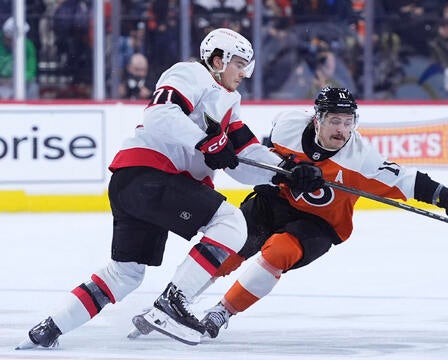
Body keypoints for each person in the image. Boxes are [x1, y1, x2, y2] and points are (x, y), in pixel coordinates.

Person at [15, 27, 323, 349]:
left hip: (138, 186)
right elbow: (160, 114)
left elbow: (243, 157)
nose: (244, 73)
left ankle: (48, 329)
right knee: (232, 222)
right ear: (218, 60)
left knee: (125, 274)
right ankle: (172, 303)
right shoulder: (191, 73)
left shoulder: (229, 102)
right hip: (149, 176)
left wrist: (285, 171)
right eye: (239, 64)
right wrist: (207, 142)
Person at [130, 86, 448, 344]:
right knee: (230, 244)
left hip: (320, 223)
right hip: (277, 198)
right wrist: (288, 166)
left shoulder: (362, 158)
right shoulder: (289, 123)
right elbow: (261, 156)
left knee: (277, 253)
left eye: (348, 122)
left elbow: (408, 181)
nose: (342, 130)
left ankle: (221, 314)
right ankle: (172, 304)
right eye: (335, 121)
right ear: (316, 118)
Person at [0, 17, 38, 99]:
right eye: (9, 40)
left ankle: (29, 111)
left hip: (18, 83)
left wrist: (14, 80)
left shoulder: (28, 46)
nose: (12, 43)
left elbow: (31, 72)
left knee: (33, 87)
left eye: (14, 40)